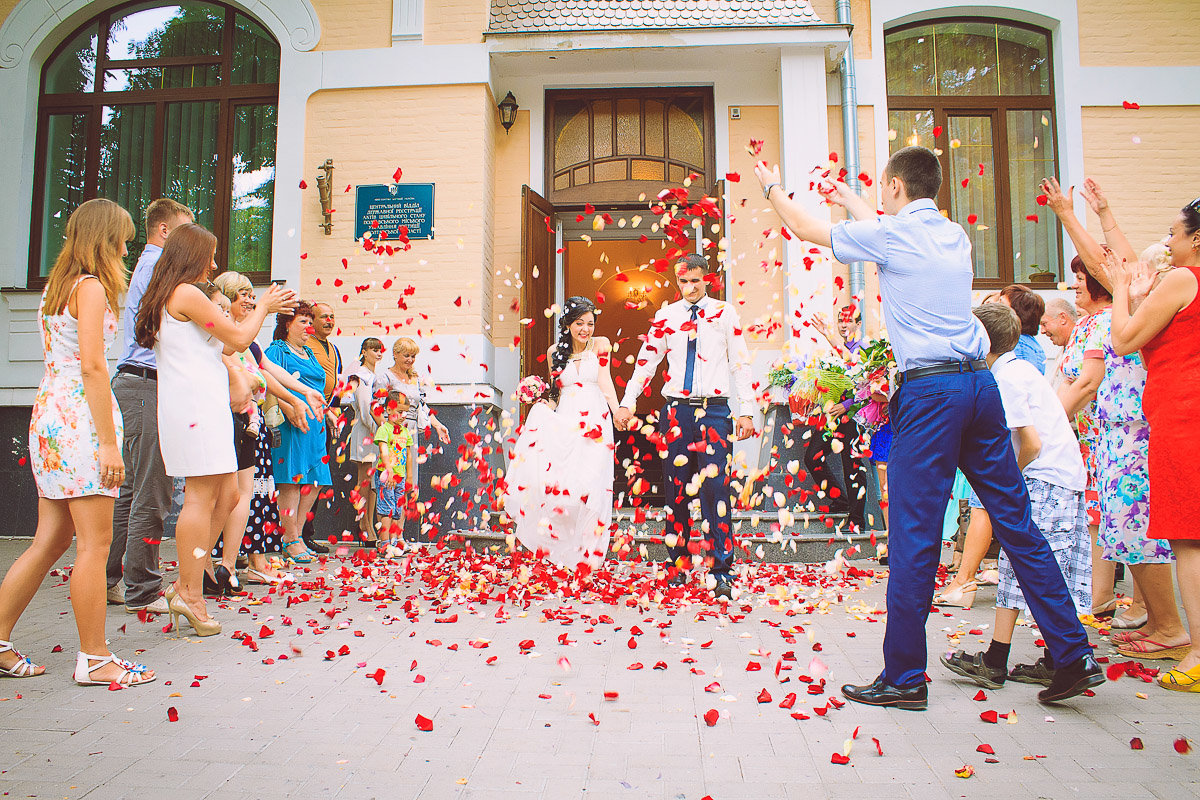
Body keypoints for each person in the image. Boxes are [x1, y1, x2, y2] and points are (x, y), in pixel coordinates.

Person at [755, 147, 1100, 709]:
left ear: (892, 186)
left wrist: (772, 185)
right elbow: (890, 228)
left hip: (932, 393)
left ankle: (905, 677)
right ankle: (1073, 653)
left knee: (914, 535)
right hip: (979, 388)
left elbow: (801, 226)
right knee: (1018, 524)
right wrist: (851, 198)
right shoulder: (952, 235)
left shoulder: (891, 237)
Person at [0, 199, 155, 686]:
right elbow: (92, 365)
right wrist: (109, 444)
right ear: (105, 240)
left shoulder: (58, 286)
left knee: (51, 539)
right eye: (123, 239)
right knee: (94, 543)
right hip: (80, 420)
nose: (127, 248)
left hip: (50, 414)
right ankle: (94, 658)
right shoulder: (90, 288)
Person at [135, 223, 295, 636]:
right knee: (202, 497)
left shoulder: (182, 296)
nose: (215, 262)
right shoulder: (185, 292)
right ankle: (189, 590)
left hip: (205, 405)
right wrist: (264, 306)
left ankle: (187, 579)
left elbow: (221, 345)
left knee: (226, 495)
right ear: (191, 255)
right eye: (210, 254)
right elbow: (240, 338)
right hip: (193, 407)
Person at [1043, 179, 1181, 639]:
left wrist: (1072, 215)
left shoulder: (1158, 297)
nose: (1166, 241)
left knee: (1138, 526)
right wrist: (1095, 213)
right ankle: (1160, 622)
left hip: (1139, 424)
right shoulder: (1144, 291)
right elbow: (1114, 266)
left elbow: (1112, 268)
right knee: (1123, 526)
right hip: (1117, 427)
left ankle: (1169, 625)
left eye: (1172, 234)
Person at [940, 304, 1090, 689]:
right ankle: (1057, 657)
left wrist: (1009, 479)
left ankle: (999, 659)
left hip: (1045, 478)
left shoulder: (1005, 378)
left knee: (1018, 564)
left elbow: (1031, 443)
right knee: (1048, 569)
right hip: (1066, 476)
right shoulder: (1019, 369)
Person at [615, 256, 757, 599]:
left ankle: (721, 570)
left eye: (696, 281)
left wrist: (747, 411)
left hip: (715, 413)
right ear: (676, 282)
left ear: (705, 279)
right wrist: (627, 400)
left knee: (716, 492)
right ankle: (677, 566)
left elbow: (739, 362)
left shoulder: (724, 313)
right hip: (677, 413)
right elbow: (647, 362)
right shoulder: (667, 317)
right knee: (676, 492)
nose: (690, 288)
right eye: (684, 283)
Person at [1106, 198, 1200, 691]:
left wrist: (1122, 287)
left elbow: (1123, 341)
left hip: (1184, 417)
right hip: (1180, 410)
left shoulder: (1186, 279)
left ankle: (1198, 654)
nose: (1168, 242)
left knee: (1189, 539)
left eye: (1173, 233)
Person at [107, 198, 193, 615]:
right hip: (145, 384)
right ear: (163, 231)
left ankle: (112, 578)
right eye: (184, 232)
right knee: (151, 491)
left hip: (134, 383)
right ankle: (142, 588)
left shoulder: (152, 267)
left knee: (130, 491)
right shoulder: (160, 270)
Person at [209, 272, 320, 585]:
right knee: (227, 497)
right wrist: (264, 310)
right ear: (225, 297)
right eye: (242, 294)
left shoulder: (246, 335)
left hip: (251, 421)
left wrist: (300, 395)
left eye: (251, 294)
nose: (250, 299)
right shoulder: (224, 330)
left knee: (244, 495)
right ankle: (214, 564)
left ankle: (228, 566)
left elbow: (264, 370)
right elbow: (245, 358)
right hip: (228, 418)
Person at [505, 297, 620, 571]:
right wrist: (547, 404)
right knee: (567, 489)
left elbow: (605, 380)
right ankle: (566, 553)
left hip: (596, 420)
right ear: (568, 324)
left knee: (594, 487)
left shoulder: (602, 345)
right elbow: (556, 391)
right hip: (566, 421)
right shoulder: (555, 350)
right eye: (580, 323)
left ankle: (590, 559)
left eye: (590, 323)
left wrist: (617, 411)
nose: (586, 329)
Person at [266, 302, 332, 565]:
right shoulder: (276, 350)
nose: (309, 327)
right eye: (303, 321)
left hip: (315, 423)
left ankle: (299, 535)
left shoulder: (309, 352)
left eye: (309, 321)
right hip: (291, 420)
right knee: (291, 481)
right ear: (286, 324)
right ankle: (290, 538)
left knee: (316, 481)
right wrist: (289, 406)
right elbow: (269, 385)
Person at [299, 302, 343, 554]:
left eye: (332, 316)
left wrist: (334, 407)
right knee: (304, 475)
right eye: (323, 316)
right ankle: (297, 534)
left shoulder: (333, 348)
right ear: (312, 321)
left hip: (326, 415)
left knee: (317, 476)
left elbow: (335, 381)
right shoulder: (307, 344)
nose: (329, 320)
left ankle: (307, 533)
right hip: (307, 411)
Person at [348, 338, 385, 544]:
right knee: (364, 478)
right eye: (373, 349)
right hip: (366, 431)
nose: (378, 353)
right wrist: (378, 428)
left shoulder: (375, 376)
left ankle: (368, 524)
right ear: (364, 351)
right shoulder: (360, 375)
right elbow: (364, 409)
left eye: (380, 350)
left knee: (372, 481)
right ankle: (364, 524)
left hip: (377, 430)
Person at [374, 391, 416, 555]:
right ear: (389, 410)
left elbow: (409, 455)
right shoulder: (385, 429)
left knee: (398, 509)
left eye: (406, 412)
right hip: (387, 476)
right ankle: (384, 542)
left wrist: (409, 477)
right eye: (399, 412)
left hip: (400, 476)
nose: (403, 415)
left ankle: (395, 540)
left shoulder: (404, 432)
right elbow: (384, 451)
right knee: (386, 508)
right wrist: (389, 471)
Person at [999, 285, 1047, 373]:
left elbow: (1021, 382)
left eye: (1001, 304)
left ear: (1016, 312)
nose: (995, 307)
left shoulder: (1020, 347)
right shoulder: (1022, 342)